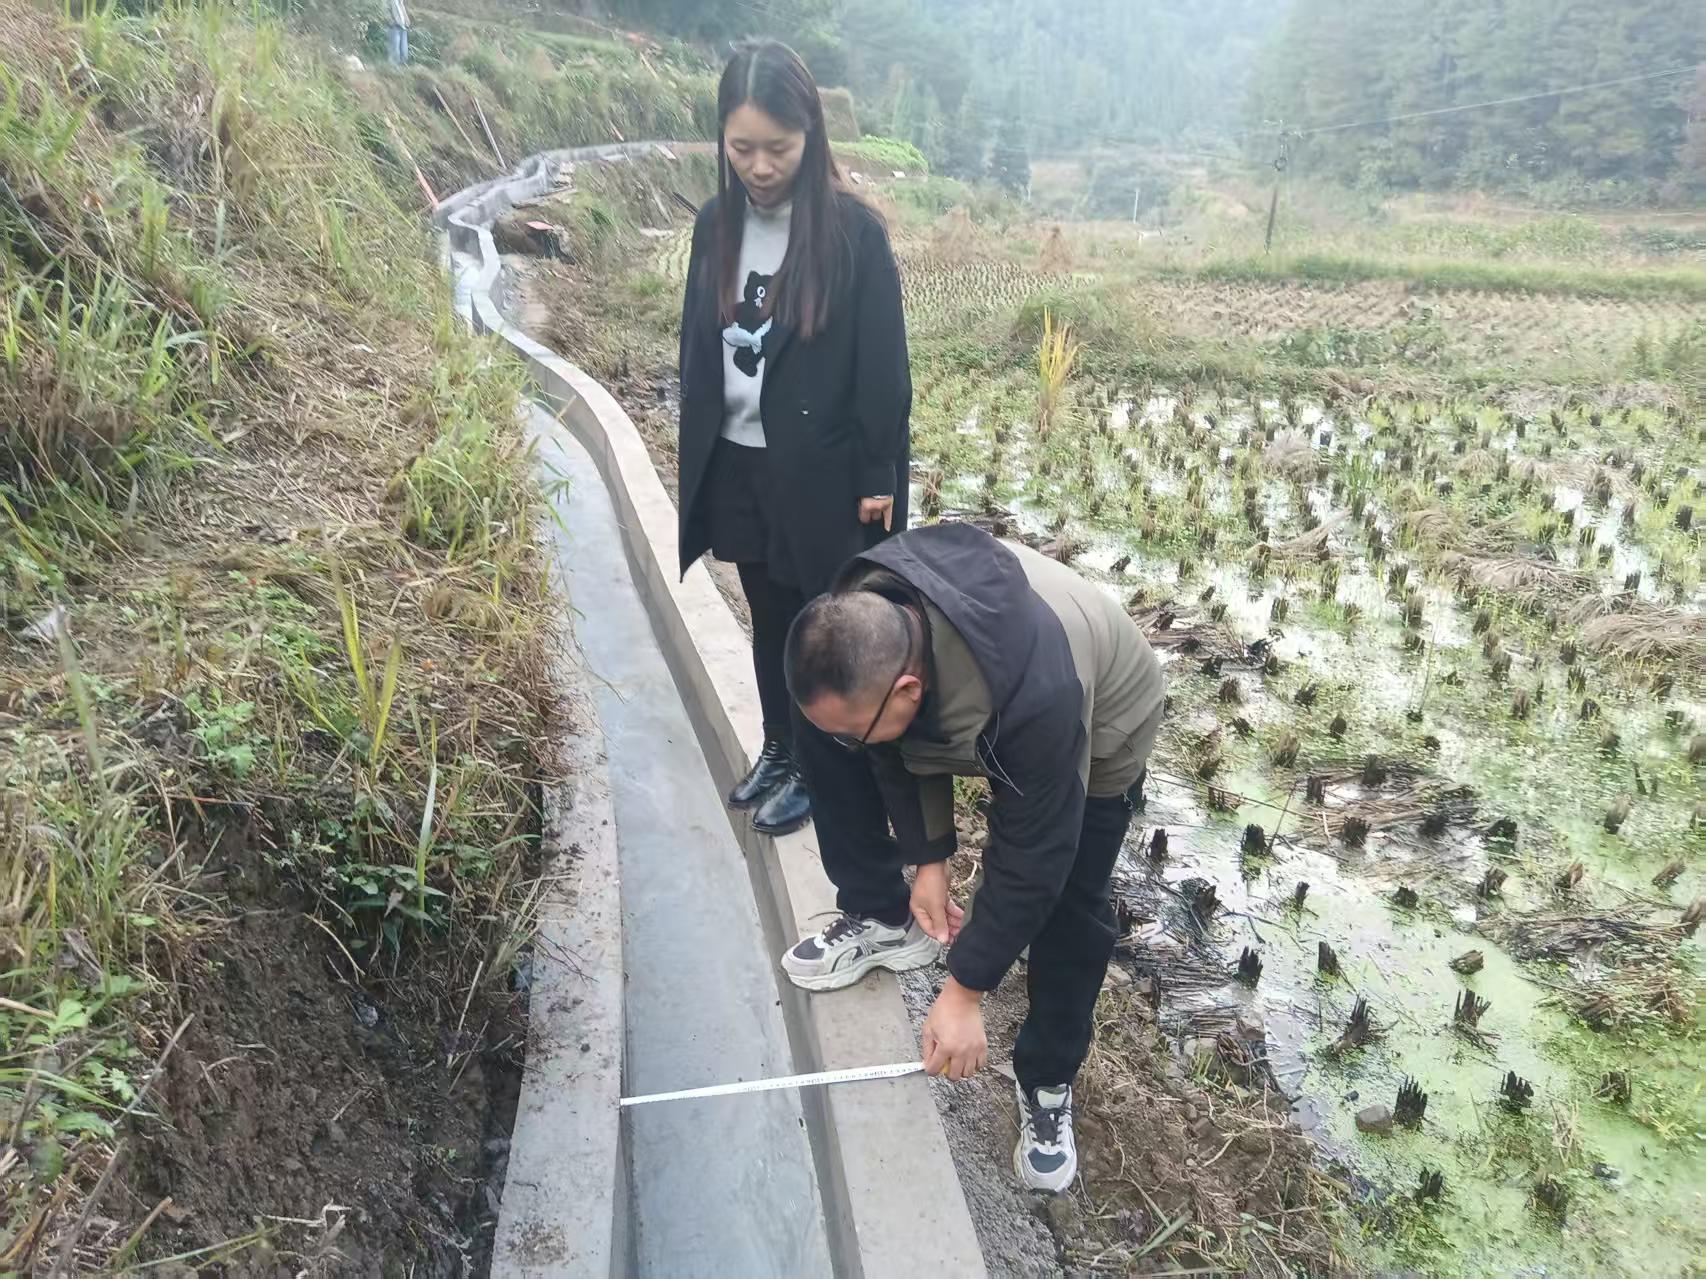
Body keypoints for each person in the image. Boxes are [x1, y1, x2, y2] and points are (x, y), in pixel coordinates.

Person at [780, 522, 1165, 1191]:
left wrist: (964, 991)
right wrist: (928, 858)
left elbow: (1033, 854)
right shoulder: (866, 608)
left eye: (859, 729)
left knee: (1071, 901)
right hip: (973, 671)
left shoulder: (1039, 699)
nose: (853, 743)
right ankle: (888, 921)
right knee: (838, 739)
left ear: (907, 690)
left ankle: (1047, 1082)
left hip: (1106, 712)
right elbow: (897, 747)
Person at [676, 41, 911, 837]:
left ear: (810, 134)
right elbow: (697, 344)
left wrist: (879, 470)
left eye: (777, 147)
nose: (760, 166)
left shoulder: (851, 234)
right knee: (770, 614)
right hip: (741, 465)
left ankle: (818, 767)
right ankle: (780, 747)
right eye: (741, 147)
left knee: (823, 627)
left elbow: (884, 366)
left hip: (821, 474)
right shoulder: (716, 224)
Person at [386, 0, 410, 66]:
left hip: (403, 26)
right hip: (394, 27)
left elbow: (402, 6)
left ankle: (402, 68)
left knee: (404, 50)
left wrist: (406, 18)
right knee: (395, 50)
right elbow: (386, 10)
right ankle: (394, 68)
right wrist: (391, 21)